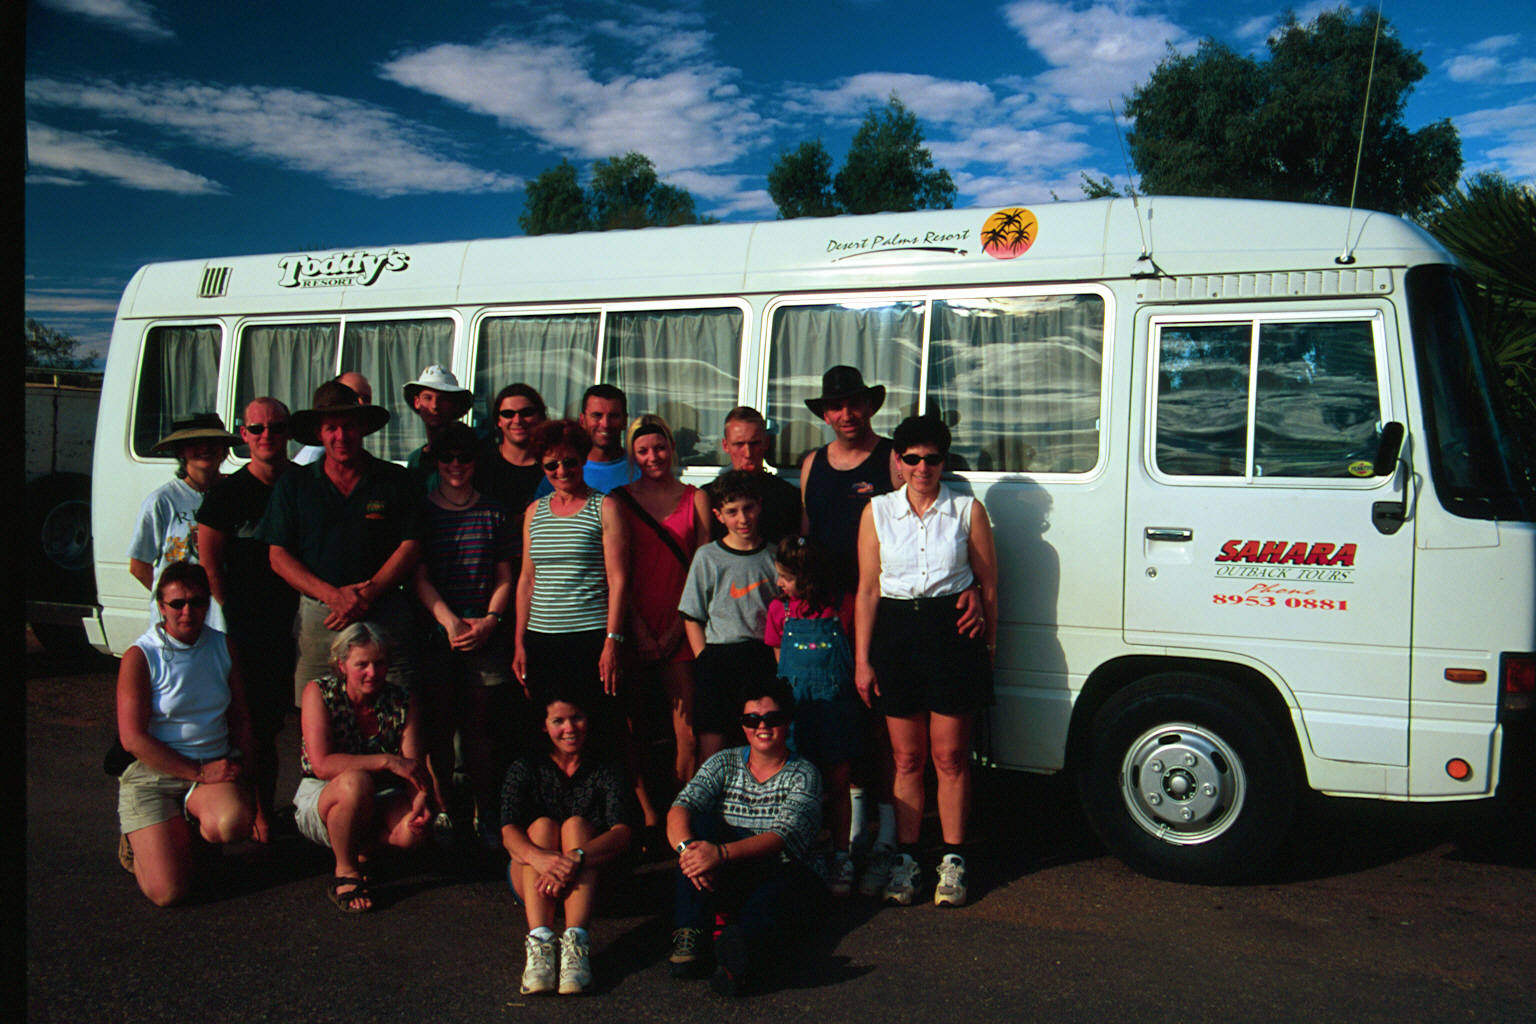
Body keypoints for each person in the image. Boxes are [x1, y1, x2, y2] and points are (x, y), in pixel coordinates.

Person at [854, 415, 998, 909]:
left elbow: (989, 586)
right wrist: (863, 660)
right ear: (898, 461)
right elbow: (867, 590)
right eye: (912, 458)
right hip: (896, 634)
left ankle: (954, 860)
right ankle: (909, 859)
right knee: (907, 759)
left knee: (950, 758)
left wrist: (989, 649)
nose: (921, 468)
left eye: (932, 459)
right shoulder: (877, 511)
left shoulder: (967, 510)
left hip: (952, 634)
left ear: (943, 461)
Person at [259, 380, 424, 706]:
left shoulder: (395, 479)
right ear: (318, 433)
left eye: (348, 426)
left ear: (362, 428)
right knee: (316, 710)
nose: (340, 436)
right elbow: (278, 555)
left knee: (398, 711)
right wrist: (333, 597)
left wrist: (367, 594)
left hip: (384, 611)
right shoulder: (295, 484)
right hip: (322, 616)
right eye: (331, 428)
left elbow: (411, 545)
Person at [115, 562, 263, 906]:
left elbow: (240, 718)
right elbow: (132, 738)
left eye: (197, 602)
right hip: (154, 773)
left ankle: (188, 838)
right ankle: (137, 843)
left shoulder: (222, 646)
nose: (187, 611)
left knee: (230, 823)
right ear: (161, 606)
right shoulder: (141, 655)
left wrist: (251, 785)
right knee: (168, 893)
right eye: (177, 603)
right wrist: (198, 772)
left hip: (211, 768)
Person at [666, 678, 824, 997]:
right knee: (698, 827)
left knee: (772, 902)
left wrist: (719, 854)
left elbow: (780, 837)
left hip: (780, 868)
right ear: (742, 724)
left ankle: (737, 958)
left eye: (772, 719)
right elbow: (681, 806)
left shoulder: (804, 774)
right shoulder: (724, 761)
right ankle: (691, 932)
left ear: (787, 722)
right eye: (752, 720)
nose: (762, 727)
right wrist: (688, 851)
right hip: (728, 868)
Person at [412, 422, 517, 847]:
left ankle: (483, 810)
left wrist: (490, 620)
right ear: (436, 461)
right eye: (447, 457)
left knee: (480, 730)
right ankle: (443, 809)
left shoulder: (494, 512)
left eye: (465, 457)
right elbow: (417, 576)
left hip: (484, 632)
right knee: (438, 728)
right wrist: (449, 621)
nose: (456, 465)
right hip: (438, 632)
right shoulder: (422, 511)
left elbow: (506, 576)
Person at [195, 397, 298, 819]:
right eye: (257, 428)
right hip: (252, 628)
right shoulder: (226, 494)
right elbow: (209, 564)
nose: (267, 435)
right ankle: (260, 816)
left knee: (314, 721)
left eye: (276, 427)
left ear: (288, 432)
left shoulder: (305, 484)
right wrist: (234, 613)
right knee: (256, 727)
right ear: (244, 435)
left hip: (305, 619)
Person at [501, 691, 638, 996]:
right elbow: (508, 831)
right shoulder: (526, 765)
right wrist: (540, 858)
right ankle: (540, 943)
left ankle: (576, 943)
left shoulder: (606, 765)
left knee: (575, 826)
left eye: (576, 718)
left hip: (590, 879)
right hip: (534, 879)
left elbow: (622, 832)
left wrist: (575, 857)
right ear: (544, 725)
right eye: (558, 721)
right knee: (541, 827)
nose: (569, 728)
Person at [294, 622, 432, 913]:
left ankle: (362, 845)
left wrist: (420, 799)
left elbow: (413, 766)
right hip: (325, 792)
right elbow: (322, 765)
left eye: (379, 663)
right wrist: (386, 760)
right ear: (342, 665)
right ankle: (346, 870)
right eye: (362, 664)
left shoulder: (402, 700)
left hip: (379, 793)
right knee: (355, 782)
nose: (372, 672)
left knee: (411, 832)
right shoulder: (319, 692)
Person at [513, 419, 629, 741]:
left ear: (583, 460)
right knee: (547, 730)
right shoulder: (534, 512)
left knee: (597, 728)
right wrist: (520, 641)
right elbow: (527, 580)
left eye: (570, 462)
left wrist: (612, 640)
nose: (561, 471)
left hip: (589, 638)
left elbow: (618, 579)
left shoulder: (605, 507)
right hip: (541, 639)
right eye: (552, 465)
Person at [613, 415, 711, 786]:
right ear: (632, 455)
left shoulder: (696, 498)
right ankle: (646, 815)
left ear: (671, 449)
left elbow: (702, 572)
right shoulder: (619, 501)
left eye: (659, 448)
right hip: (633, 624)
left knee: (688, 732)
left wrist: (676, 629)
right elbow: (617, 571)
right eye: (643, 451)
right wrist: (637, 628)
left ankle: (684, 808)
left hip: (682, 625)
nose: (653, 457)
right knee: (632, 728)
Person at [765, 534, 861, 895]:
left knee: (838, 785)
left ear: (808, 578)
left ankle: (841, 855)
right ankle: (799, 854)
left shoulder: (843, 605)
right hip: (797, 715)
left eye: (786, 577)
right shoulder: (780, 610)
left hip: (836, 710)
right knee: (796, 787)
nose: (779, 583)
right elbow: (780, 663)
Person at [678, 471, 779, 765]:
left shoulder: (775, 557)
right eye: (732, 512)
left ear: (760, 506)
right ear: (718, 516)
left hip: (762, 658)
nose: (743, 519)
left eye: (748, 508)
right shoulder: (707, 557)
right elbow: (691, 615)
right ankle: (708, 797)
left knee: (761, 745)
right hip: (718, 659)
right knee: (713, 748)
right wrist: (704, 658)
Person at [127, 413, 240, 632]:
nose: (204, 448)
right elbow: (139, 566)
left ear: (224, 449)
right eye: (195, 443)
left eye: (212, 442)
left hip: (225, 622)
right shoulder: (162, 501)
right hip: (178, 627)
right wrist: (177, 600)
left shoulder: (236, 495)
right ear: (181, 451)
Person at [474, 383, 549, 564]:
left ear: (540, 417)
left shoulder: (555, 467)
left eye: (526, 412)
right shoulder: (480, 465)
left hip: (542, 563)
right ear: (498, 421)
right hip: (490, 564)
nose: (517, 420)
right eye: (508, 414)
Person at [711, 405, 802, 545]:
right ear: (725, 445)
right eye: (739, 444)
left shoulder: (788, 498)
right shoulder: (709, 498)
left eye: (754, 443)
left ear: (766, 443)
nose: (748, 453)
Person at [402, 364, 474, 491]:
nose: (435, 406)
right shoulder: (416, 459)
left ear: (455, 405)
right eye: (428, 398)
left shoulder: (471, 453)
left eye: (443, 399)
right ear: (417, 402)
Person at [294, 372, 371, 466]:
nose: (360, 402)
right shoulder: (313, 458)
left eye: (366, 398)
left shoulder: (375, 468)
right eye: (331, 428)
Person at [577, 384, 640, 493]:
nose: (605, 424)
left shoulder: (642, 470)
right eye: (597, 415)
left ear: (625, 421)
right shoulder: (564, 472)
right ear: (582, 421)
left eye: (613, 416)